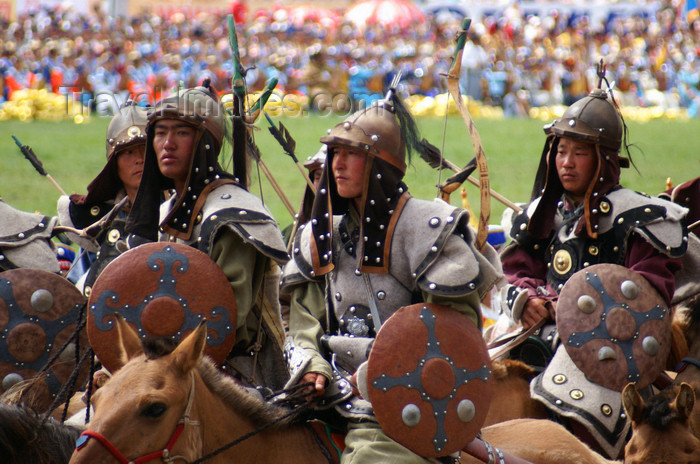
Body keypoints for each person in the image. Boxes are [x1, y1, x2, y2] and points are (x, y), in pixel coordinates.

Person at [281, 88, 503, 463]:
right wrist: (311, 367)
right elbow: (301, 324)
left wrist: (375, 377)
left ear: (380, 164)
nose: (337, 164)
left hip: (404, 403)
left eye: (352, 154)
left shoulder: (427, 229)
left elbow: (451, 336)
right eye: (336, 152)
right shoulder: (322, 235)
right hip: (323, 396)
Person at [498, 82, 690, 458]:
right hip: (533, 335)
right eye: (561, 151)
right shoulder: (544, 214)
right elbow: (515, 272)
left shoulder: (640, 218)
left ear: (602, 159)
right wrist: (527, 299)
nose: (566, 162)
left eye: (579, 153)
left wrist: (575, 310)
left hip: (609, 354)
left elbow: (649, 295)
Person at [125, 80, 289, 390]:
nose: (167, 143)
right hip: (165, 365)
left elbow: (223, 323)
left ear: (205, 142)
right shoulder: (167, 211)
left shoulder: (233, 217)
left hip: (233, 378)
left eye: (182, 132)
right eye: (160, 133)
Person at [57, 101, 148, 294]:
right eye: (129, 152)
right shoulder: (99, 221)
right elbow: (79, 291)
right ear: (114, 163)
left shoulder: (176, 209)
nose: (139, 158)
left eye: (145, 149)